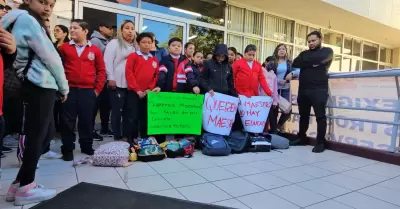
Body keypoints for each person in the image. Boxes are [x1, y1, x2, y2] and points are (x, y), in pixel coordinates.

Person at [2, 0, 69, 205]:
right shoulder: (28, 20)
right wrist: (64, 87)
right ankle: (26, 187)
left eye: (51, 4)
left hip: (25, 83)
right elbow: (51, 58)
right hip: (40, 83)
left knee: (40, 134)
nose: (48, 8)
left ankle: (19, 183)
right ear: (28, 0)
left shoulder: (9, 19)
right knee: (39, 135)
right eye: (42, 2)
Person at [58, 19, 106, 161]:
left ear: (85, 31)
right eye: (70, 27)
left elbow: (101, 70)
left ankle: (86, 146)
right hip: (69, 91)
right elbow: (57, 69)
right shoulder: (64, 48)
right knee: (67, 122)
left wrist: (97, 90)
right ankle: (67, 149)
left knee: (86, 121)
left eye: (75, 28)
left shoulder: (95, 50)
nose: (72, 30)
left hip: (88, 91)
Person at [291, 31, 333, 153]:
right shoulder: (304, 53)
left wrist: (309, 62)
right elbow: (295, 62)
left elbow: (321, 59)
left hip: (319, 89)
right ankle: (301, 138)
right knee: (303, 116)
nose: (311, 43)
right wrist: (313, 62)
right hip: (303, 89)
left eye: (313, 41)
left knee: (320, 116)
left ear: (320, 39)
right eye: (309, 41)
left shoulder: (327, 51)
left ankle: (320, 142)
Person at [104, 20, 136, 141]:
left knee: (129, 112)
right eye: (127, 28)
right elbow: (107, 61)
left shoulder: (135, 46)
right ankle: (117, 137)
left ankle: (127, 136)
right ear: (121, 30)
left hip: (131, 85)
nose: (130, 31)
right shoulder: (114, 43)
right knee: (117, 112)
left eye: (132, 28)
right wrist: (110, 77)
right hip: (117, 83)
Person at [124, 32, 158, 141]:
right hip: (134, 93)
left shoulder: (154, 59)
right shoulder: (133, 56)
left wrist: (149, 89)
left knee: (145, 117)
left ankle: (144, 140)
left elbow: (155, 76)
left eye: (149, 42)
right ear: (138, 43)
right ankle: (132, 141)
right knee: (133, 117)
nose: (146, 45)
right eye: (143, 42)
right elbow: (129, 74)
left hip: (148, 93)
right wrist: (137, 90)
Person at [266, 44, 299, 132]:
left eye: (283, 49)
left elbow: (299, 70)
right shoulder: (272, 62)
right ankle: (274, 130)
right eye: (279, 49)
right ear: (276, 51)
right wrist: (275, 80)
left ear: (286, 51)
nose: (281, 50)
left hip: (285, 89)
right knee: (274, 111)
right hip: (274, 90)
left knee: (288, 110)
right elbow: (266, 74)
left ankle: (278, 125)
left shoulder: (289, 62)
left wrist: (291, 74)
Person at [90, 23, 114, 140]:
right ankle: (91, 130)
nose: (111, 30)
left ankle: (105, 128)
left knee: (106, 105)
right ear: (101, 28)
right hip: (97, 79)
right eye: (108, 27)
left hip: (105, 79)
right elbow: (98, 60)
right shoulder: (95, 40)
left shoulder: (108, 41)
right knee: (95, 106)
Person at [260, 56, 278, 134]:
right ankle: (261, 131)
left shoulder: (274, 75)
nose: (271, 65)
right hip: (260, 98)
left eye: (273, 64)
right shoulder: (260, 71)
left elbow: (275, 89)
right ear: (265, 62)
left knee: (271, 117)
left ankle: (273, 132)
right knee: (261, 117)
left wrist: (275, 101)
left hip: (269, 99)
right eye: (270, 62)